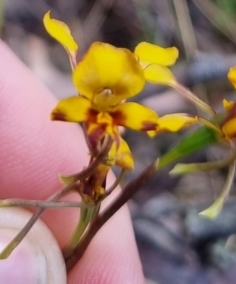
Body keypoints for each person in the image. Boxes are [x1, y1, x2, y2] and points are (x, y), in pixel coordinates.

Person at [0, 40, 144, 283]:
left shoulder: (110, 125)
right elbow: (63, 112)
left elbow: (146, 123)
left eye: (113, 95)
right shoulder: (80, 109)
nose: (107, 96)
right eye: (103, 93)